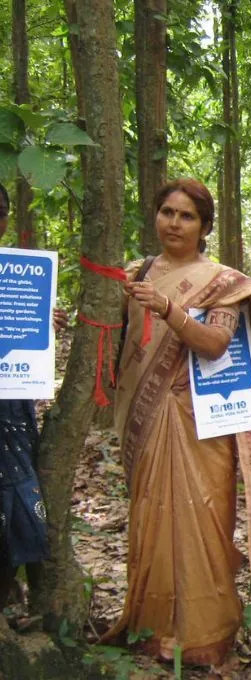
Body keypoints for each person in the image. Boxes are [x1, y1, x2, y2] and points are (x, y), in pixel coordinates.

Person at [108, 178, 251, 665]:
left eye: (186, 216)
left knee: (204, 520)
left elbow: (216, 344)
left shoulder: (223, 282)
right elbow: (116, 346)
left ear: (204, 227)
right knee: (150, 515)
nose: (173, 223)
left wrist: (171, 310)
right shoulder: (134, 274)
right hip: (145, 420)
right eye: (166, 212)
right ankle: (151, 627)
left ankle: (205, 635)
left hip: (202, 424)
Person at [0, 182, 66, 606]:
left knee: (12, 493)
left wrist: (43, 322)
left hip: (9, 407)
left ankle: (7, 589)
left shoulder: (15, 273)